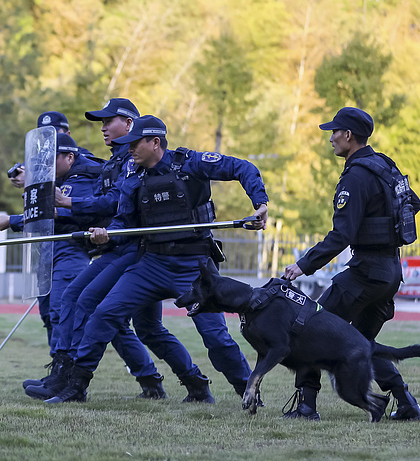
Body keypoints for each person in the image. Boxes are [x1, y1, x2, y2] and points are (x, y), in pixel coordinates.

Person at [48, 115, 269, 403]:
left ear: (155, 142)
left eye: (135, 143)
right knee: (104, 314)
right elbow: (123, 221)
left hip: (194, 268)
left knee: (216, 338)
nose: (129, 150)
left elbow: (242, 167)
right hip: (151, 264)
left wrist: (260, 203)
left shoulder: (190, 163)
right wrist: (107, 234)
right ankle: (76, 387)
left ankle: (248, 391)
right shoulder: (132, 176)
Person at [282, 107, 420, 421]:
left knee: (307, 327)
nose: (331, 138)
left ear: (348, 135)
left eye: (334, 132)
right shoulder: (384, 165)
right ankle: (407, 404)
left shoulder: (357, 174)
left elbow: (341, 235)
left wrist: (303, 265)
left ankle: (306, 408)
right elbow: (413, 202)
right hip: (389, 272)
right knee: (362, 342)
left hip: (365, 272)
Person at [34, 98, 180, 401]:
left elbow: (112, 204)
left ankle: (72, 380)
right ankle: (69, 376)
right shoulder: (114, 163)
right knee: (115, 318)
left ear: (128, 124)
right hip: (116, 249)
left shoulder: (131, 163)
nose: (102, 128)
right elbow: (111, 208)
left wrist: (69, 204)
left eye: (107, 122)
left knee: (126, 321)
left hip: (143, 254)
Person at [0, 133, 106, 394]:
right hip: (52, 250)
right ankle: (59, 376)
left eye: (51, 159)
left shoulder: (83, 175)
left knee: (70, 313)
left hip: (72, 250)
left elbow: (68, 212)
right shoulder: (59, 177)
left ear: (69, 156)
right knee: (56, 314)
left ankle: (70, 381)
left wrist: (13, 220)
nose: (45, 166)